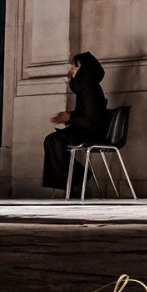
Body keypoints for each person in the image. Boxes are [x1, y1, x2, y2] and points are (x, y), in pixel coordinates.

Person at [42, 51, 108, 195]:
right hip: (84, 129)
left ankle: (77, 180)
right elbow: (85, 115)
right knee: (51, 141)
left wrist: (70, 118)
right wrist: (69, 116)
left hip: (92, 132)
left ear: (84, 69)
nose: (71, 70)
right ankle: (74, 182)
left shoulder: (90, 88)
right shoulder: (85, 88)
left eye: (75, 66)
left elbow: (92, 120)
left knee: (53, 141)